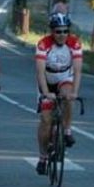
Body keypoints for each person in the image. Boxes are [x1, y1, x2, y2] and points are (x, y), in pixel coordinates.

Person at [34, 13, 83, 175]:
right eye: (58, 31)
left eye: (65, 31)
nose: (62, 35)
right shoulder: (43, 44)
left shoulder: (74, 43)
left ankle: (67, 130)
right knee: (46, 120)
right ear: (52, 32)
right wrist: (46, 92)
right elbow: (40, 72)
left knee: (68, 96)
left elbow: (77, 70)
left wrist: (75, 92)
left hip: (64, 77)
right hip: (47, 79)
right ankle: (42, 157)